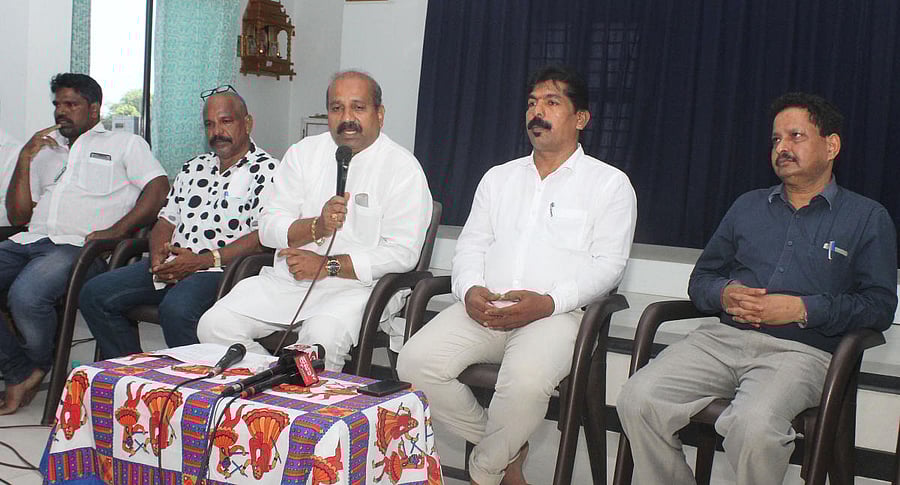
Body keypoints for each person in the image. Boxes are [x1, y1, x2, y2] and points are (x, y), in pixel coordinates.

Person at [616, 92, 897, 485]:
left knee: (754, 426)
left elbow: (879, 306)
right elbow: (702, 280)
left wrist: (802, 309)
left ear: (831, 146)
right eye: (776, 139)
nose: (782, 147)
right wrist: (724, 294)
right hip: (721, 340)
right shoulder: (747, 206)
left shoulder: (867, 217)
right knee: (637, 399)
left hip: (802, 353)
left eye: (795, 136)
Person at [397, 65, 638, 485]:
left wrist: (549, 302)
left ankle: (485, 472)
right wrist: (469, 289)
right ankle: (507, 453)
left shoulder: (610, 185)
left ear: (581, 118)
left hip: (558, 316)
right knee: (414, 364)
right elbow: (471, 245)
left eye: (551, 102)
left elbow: (608, 265)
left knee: (524, 383)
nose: (536, 112)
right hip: (487, 308)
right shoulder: (499, 178)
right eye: (531, 103)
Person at [197, 71, 432, 371]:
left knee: (319, 340)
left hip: (357, 289)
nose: (347, 118)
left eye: (358, 108)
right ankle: (271, 381)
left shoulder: (402, 168)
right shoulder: (303, 153)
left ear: (380, 114)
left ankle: (300, 392)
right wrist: (316, 227)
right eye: (337, 108)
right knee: (214, 325)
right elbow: (268, 227)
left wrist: (326, 265)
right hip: (289, 281)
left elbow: (403, 253)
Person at [0, 73, 169, 414]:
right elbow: (18, 216)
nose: (61, 111)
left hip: (79, 249)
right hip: (28, 240)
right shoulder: (45, 150)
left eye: (71, 104)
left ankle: (35, 365)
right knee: (23, 289)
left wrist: (116, 229)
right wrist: (24, 160)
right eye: (57, 104)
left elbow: (159, 188)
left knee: (26, 296)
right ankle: (21, 371)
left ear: (94, 109)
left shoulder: (124, 144)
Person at [78, 87, 279, 359]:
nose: (217, 132)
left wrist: (201, 261)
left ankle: (198, 381)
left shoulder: (269, 170)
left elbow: (261, 238)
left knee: (177, 309)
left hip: (222, 270)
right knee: (94, 294)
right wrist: (158, 256)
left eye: (226, 121)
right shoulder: (194, 167)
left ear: (247, 123)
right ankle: (138, 372)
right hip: (174, 264)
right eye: (209, 124)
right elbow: (166, 220)